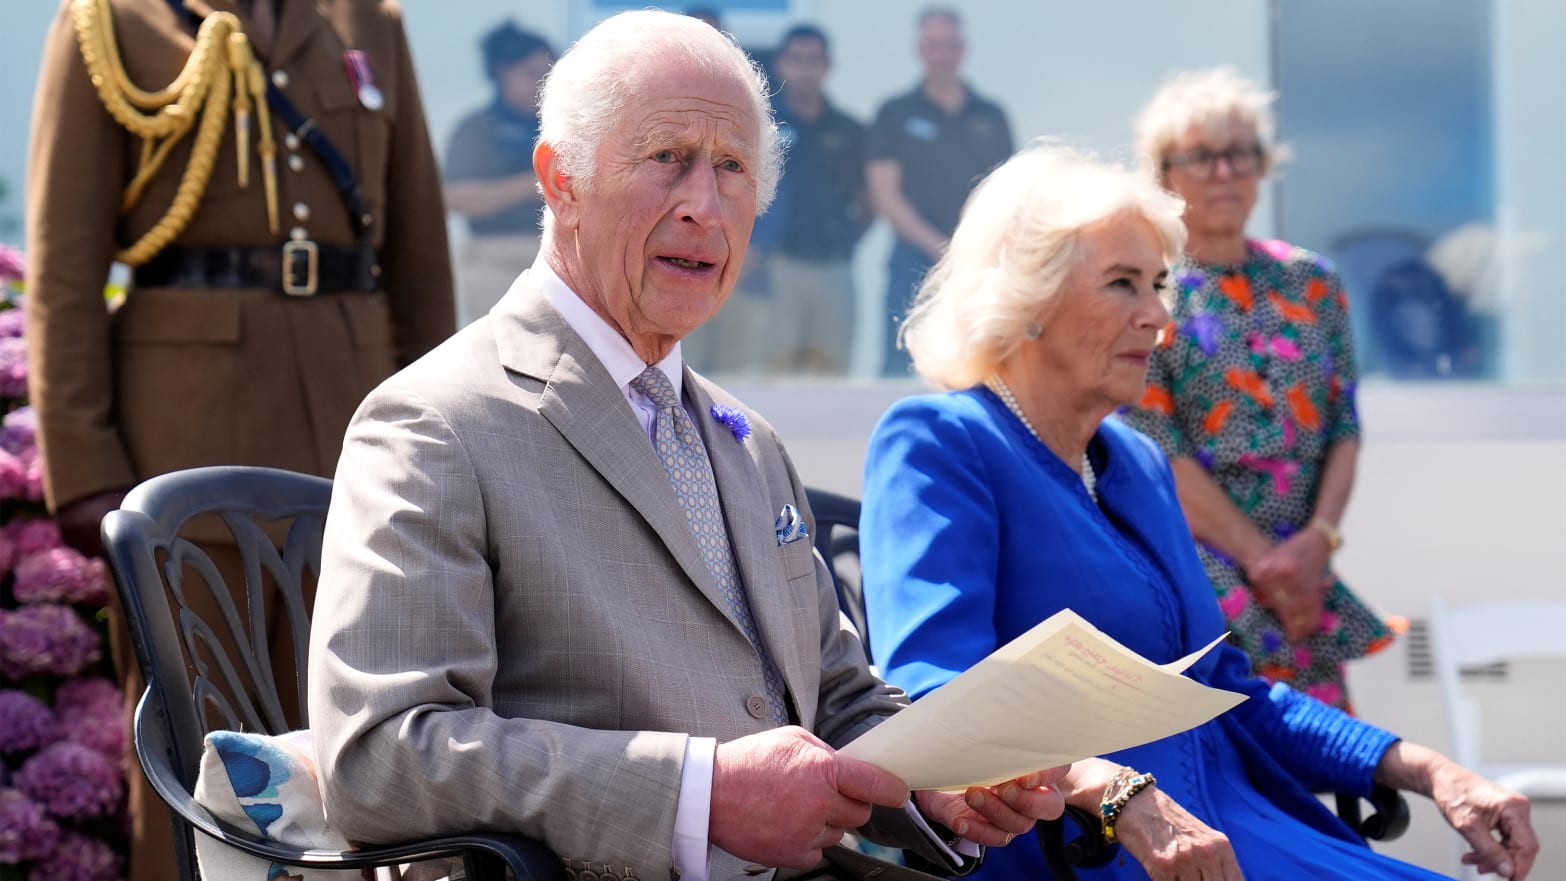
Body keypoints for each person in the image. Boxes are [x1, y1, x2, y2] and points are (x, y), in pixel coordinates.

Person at [308, 12, 1067, 881]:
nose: (704, 206)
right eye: (668, 157)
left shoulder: (747, 440)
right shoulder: (435, 422)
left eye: (733, 168)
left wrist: (943, 779)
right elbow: (379, 759)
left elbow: (840, 699)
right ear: (561, 181)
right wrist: (696, 793)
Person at [858, 144, 1538, 880]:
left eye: (1158, 284)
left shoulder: (1139, 462)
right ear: (1027, 301)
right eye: (1123, 284)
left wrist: (1430, 768)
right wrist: (1114, 792)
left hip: (1234, 828)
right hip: (1090, 849)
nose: (1157, 316)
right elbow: (936, 699)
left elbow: (1229, 691)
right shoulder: (940, 442)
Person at [24, 2, 455, 879]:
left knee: (361, 724)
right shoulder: (110, 24)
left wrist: (446, 446)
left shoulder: (368, 22)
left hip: (351, 422)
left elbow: (417, 255)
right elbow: (63, 272)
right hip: (185, 438)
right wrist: (84, 468)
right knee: (191, 736)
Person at [1119, 67, 1400, 711]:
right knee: (1240, 752)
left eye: (1240, 153)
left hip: (1304, 570)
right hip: (1205, 572)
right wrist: (1266, 566)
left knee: (1328, 761)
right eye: (1202, 157)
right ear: (1165, 175)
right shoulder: (1148, 289)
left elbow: (1344, 429)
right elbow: (1156, 448)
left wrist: (1317, 544)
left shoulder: (1313, 281)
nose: (1225, 173)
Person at [866, 7, 1012, 378]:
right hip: (910, 265)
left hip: (977, 265)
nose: (942, 54)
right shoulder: (894, 113)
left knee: (974, 366)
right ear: (921, 50)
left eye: (949, 45)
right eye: (933, 45)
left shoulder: (991, 115)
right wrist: (941, 249)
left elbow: (1008, 192)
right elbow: (886, 197)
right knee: (900, 367)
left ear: (962, 49)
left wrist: (969, 251)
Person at [751, 24, 868, 375]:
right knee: (775, 372)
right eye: (797, 60)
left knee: (833, 373)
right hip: (777, 268)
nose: (805, 70)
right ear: (782, 64)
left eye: (813, 61)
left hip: (834, 267)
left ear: (827, 66)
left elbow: (869, 198)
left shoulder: (848, 130)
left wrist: (847, 236)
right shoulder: (761, 126)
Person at [444, 21, 555, 327]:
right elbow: (456, 199)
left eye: (549, 73)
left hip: (561, 261)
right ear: (502, 72)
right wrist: (542, 180)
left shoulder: (564, 127)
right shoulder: (477, 128)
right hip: (495, 261)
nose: (543, 83)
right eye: (532, 74)